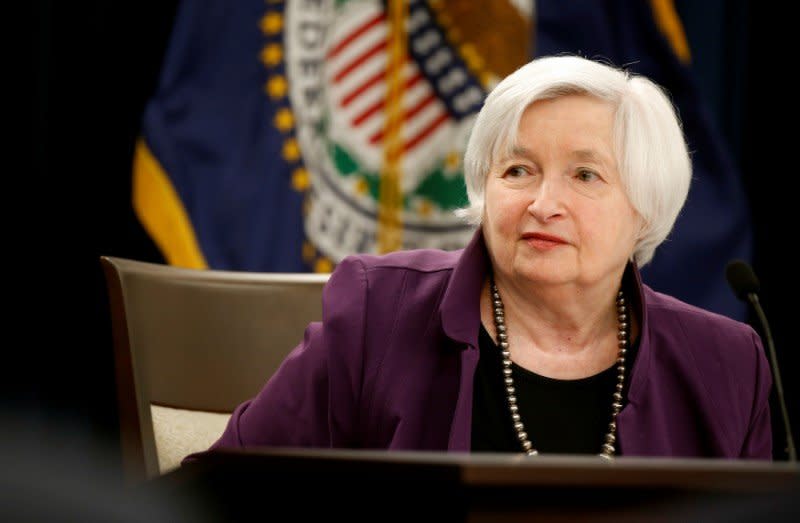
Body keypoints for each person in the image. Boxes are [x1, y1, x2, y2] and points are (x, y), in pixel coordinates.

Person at [192, 55, 772, 459]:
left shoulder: (726, 366)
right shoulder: (377, 314)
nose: (544, 204)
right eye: (518, 170)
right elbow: (222, 490)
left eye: (585, 175)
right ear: (484, 186)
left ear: (645, 208)